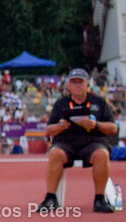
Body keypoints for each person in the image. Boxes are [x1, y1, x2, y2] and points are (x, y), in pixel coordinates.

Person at [36, 68, 120, 214]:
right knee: (55, 153)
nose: (77, 85)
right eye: (74, 82)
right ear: (68, 85)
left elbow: (113, 128)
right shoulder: (61, 103)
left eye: (80, 82)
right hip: (66, 143)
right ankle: (50, 198)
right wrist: (61, 126)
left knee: (102, 154)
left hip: (93, 142)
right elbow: (49, 130)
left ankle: (99, 199)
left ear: (88, 84)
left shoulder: (99, 102)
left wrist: (97, 125)